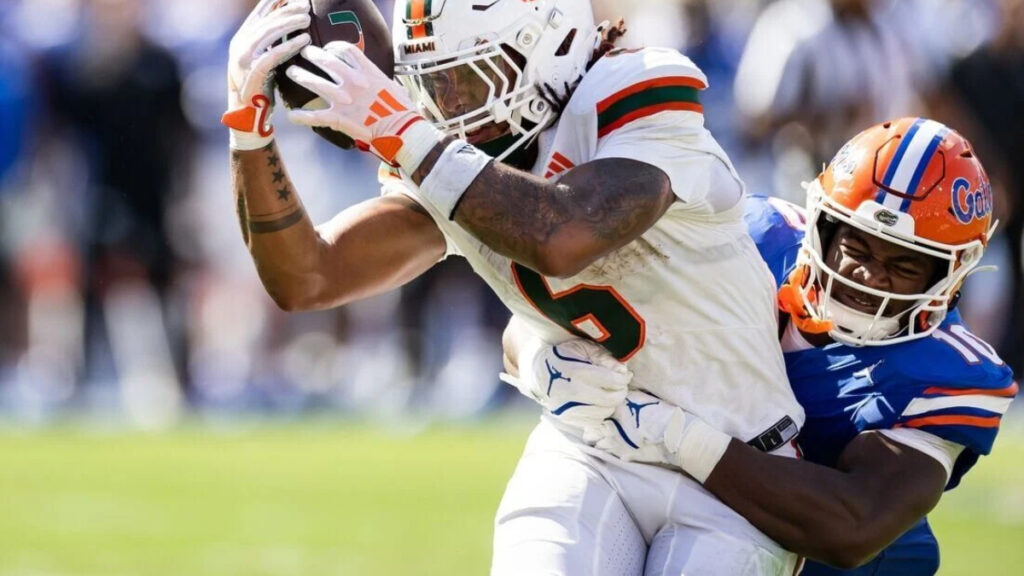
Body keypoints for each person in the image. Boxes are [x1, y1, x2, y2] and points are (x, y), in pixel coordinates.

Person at [225, 0, 804, 573]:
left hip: (736, 461)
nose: (449, 107)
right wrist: (249, 135)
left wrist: (406, 134)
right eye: (434, 85)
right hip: (592, 451)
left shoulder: (638, 88)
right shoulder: (437, 154)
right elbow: (309, 276)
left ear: (546, 46)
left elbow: (563, 234)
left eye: (467, 79)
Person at [507, 118, 1016, 575]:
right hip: (663, 502)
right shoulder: (752, 240)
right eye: (856, 244)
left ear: (950, 275)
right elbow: (548, 308)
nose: (869, 274)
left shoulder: (951, 374)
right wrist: (537, 358)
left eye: (904, 264)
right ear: (824, 223)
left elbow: (850, 526)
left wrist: (678, 435)